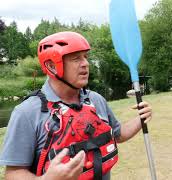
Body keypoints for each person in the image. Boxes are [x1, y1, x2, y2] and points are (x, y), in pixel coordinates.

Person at [0, 31, 152, 180]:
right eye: (76, 58)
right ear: (52, 66)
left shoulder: (95, 99)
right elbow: (13, 173)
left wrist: (140, 119)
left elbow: (118, 134)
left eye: (85, 57)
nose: (85, 64)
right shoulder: (26, 113)